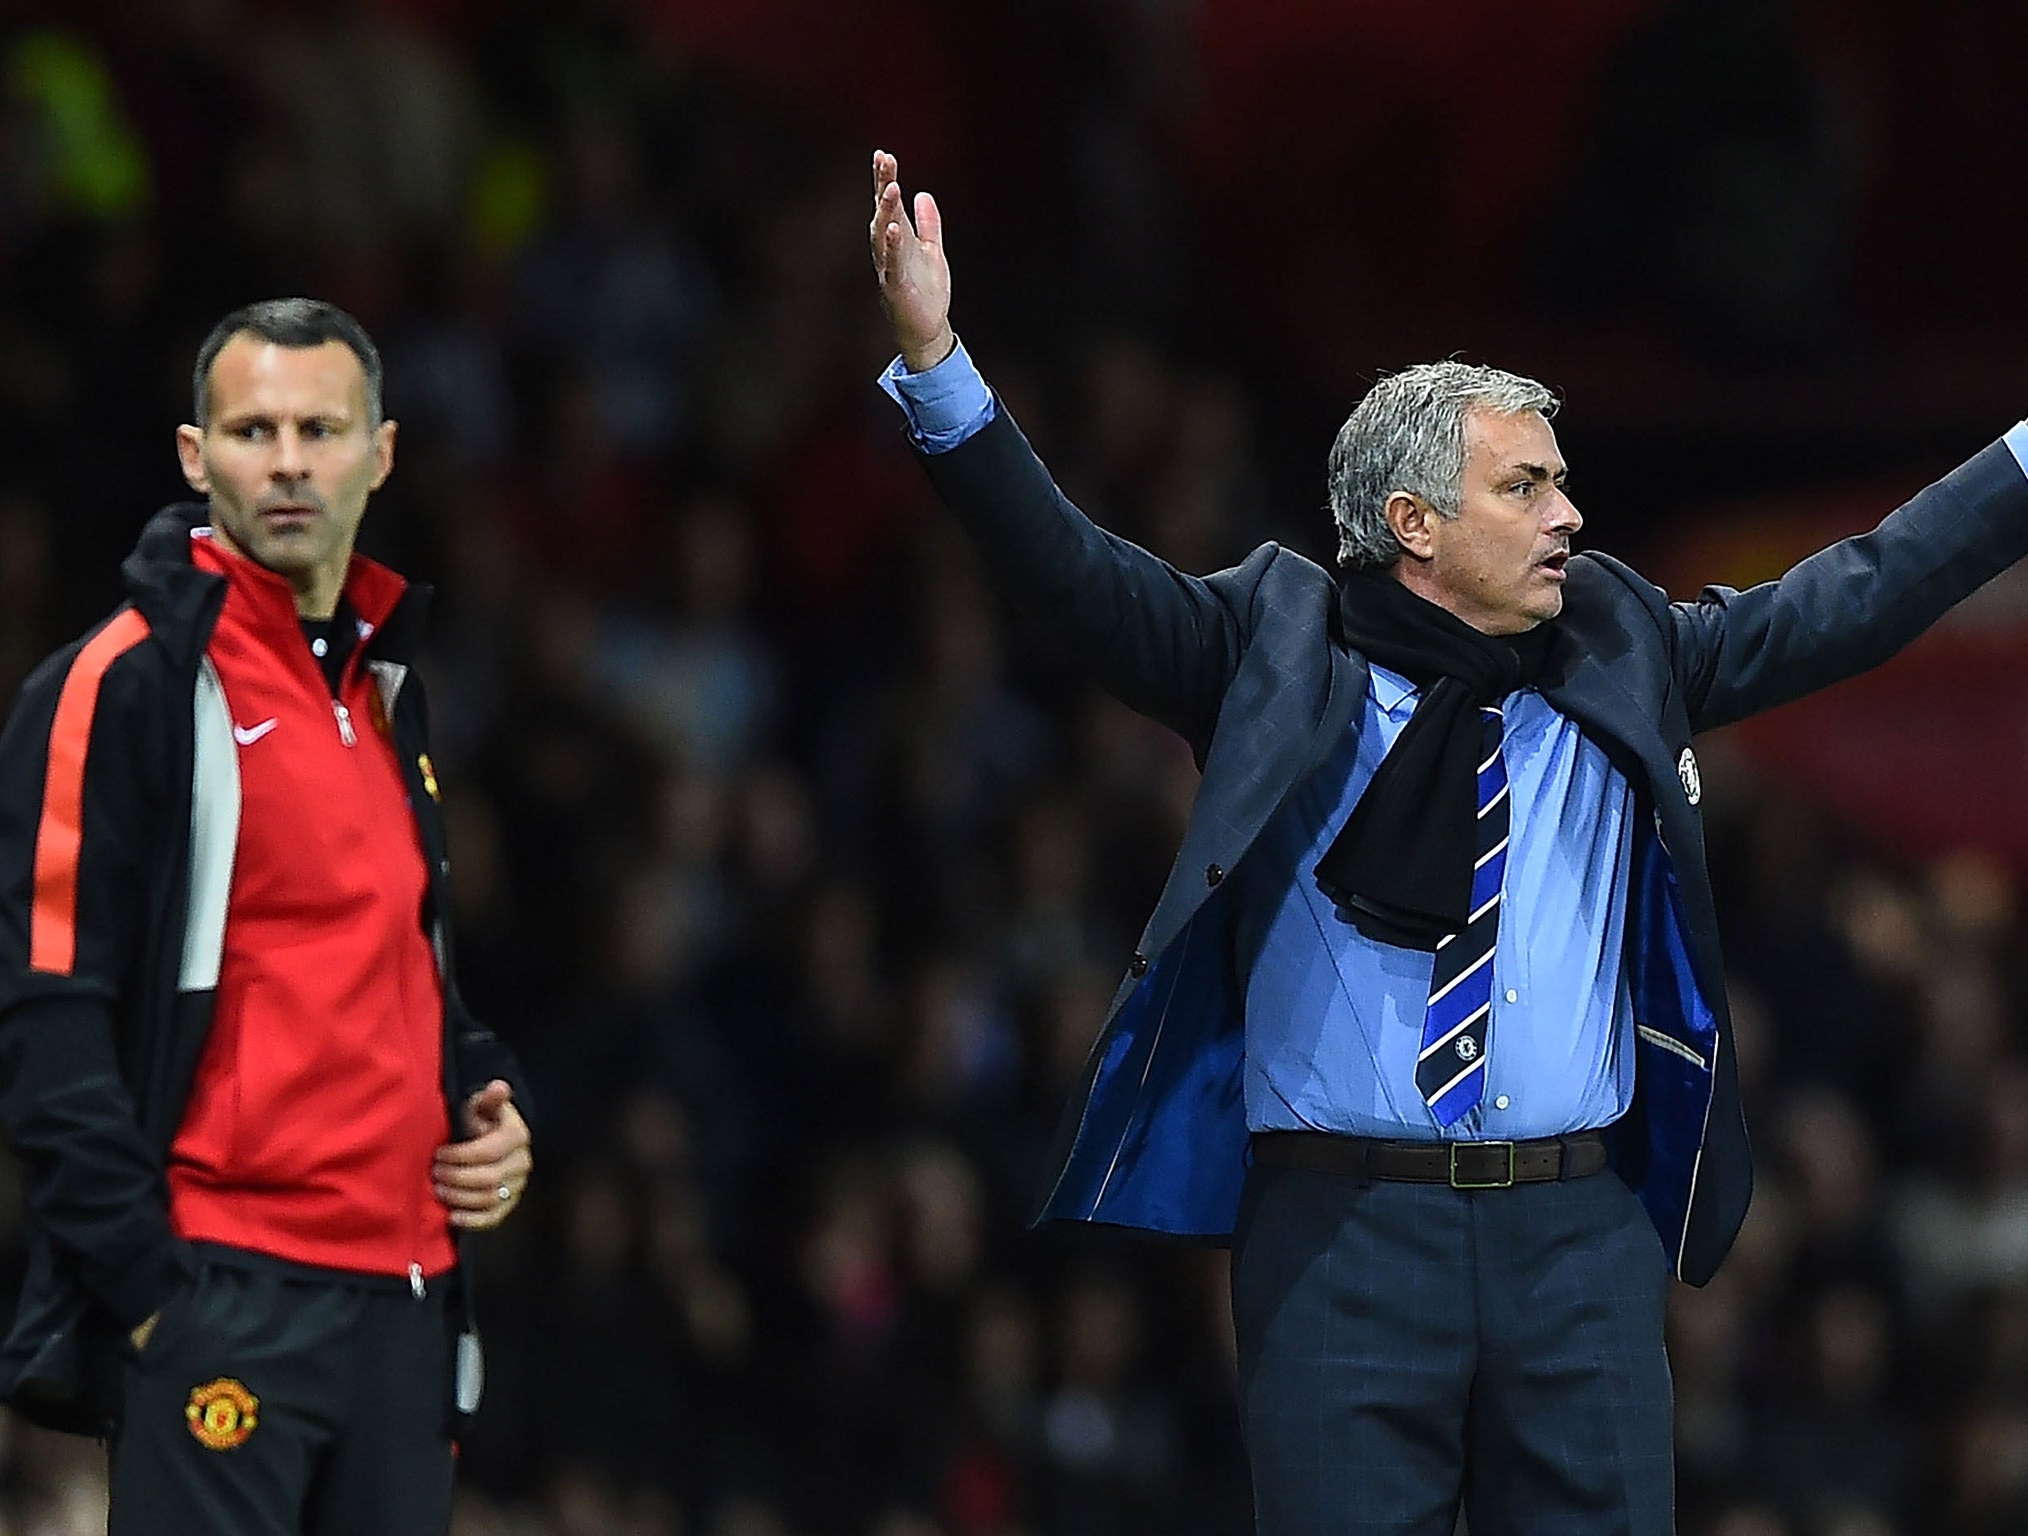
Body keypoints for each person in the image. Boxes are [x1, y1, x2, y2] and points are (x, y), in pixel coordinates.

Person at [866, 149, 2028, 1535]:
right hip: (1344, 1241)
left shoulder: (1622, 644)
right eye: (1526, 489)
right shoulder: (1268, 649)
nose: (1571, 518)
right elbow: (1069, 573)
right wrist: (938, 360)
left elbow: (1866, 590)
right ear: (1413, 523)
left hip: (1580, 1239)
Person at [0, 299, 534, 1535]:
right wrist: (150, 1293)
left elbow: (408, 979)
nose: (288, 459)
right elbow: (39, 1011)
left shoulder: (387, 691)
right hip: (223, 1297)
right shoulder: (118, 687)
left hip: (405, 1301)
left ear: (381, 454)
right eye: (254, 429)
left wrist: (490, 1104)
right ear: (195, 457)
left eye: (321, 429)